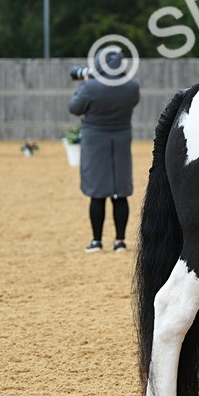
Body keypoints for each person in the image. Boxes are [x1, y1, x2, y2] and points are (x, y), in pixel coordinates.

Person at [68, 49, 140, 252]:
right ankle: (120, 241)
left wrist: (85, 82)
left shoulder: (90, 87)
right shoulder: (132, 86)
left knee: (97, 193)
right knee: (120, 192)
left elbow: (74, 107)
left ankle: (97, 241)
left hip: (95, 141)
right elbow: (133, 102)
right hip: (121, 139)